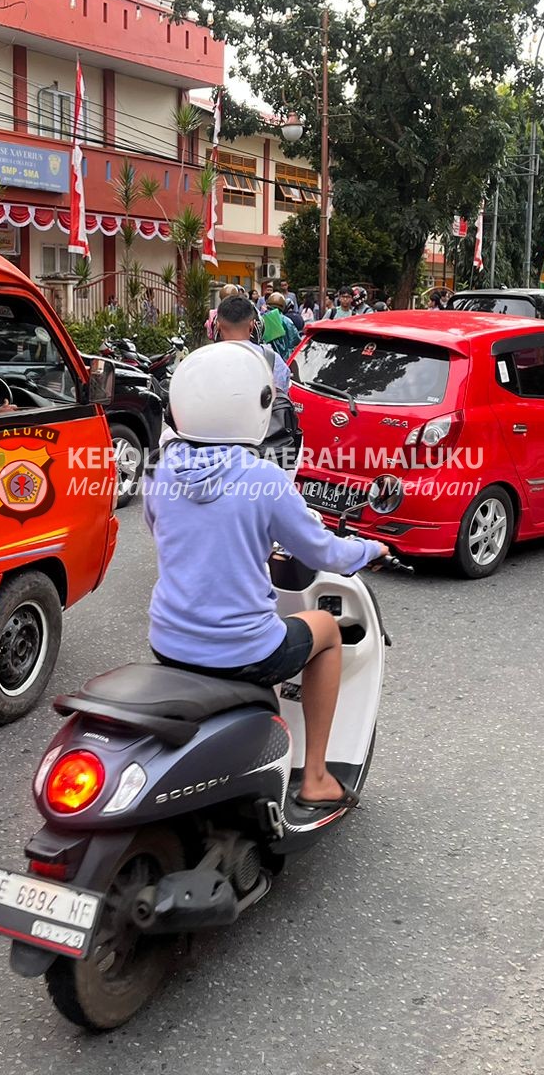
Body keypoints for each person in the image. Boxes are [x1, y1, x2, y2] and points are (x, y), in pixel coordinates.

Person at [142, 343, 386, 809]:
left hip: (168, 641)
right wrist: (372, 548)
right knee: (328, 631)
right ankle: (315, 777)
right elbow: (326, 553)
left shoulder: (157, 469)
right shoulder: (265, 480)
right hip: (242, 652)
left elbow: (160, 530)